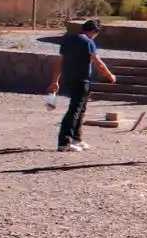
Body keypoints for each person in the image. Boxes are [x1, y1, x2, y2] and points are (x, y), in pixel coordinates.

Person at [47, 19, 116, 153]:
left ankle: (76, 138)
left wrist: (55, 80)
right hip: (81, 81)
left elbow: (59, 61)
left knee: (80, 109)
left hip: (69, 79)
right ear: (94, 32)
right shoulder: (88, 42)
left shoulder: (67, 40)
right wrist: (109, 75)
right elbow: (98, 62)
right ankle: (64, 142)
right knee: (75, 110)